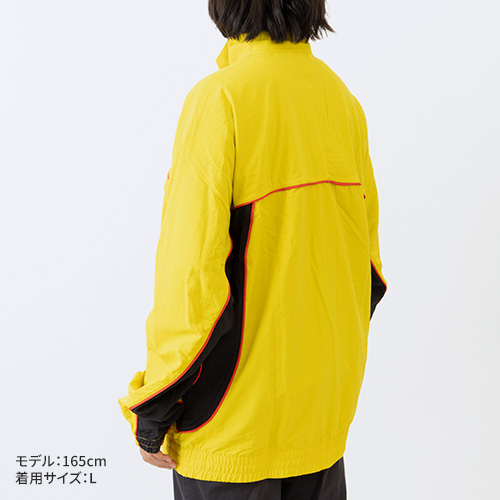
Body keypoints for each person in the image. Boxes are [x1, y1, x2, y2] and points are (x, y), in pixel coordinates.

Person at [118, 0, 388, 498]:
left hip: (232, 428)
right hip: (321, 422)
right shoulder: (342, 102)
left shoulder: (220, 99)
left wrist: (155, 407)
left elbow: (191, 274)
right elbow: (367, 269)